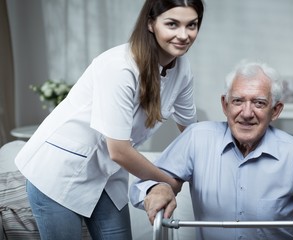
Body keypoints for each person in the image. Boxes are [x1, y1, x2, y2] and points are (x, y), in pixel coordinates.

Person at [14, 0, 205, 239]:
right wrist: (168, 182)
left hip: (108, 175)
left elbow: (193, 133)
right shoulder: (120, 66)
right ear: (150, 23)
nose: (183, 35)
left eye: (192, 25)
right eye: (172, 24)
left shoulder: (183, 70)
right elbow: (119, 151)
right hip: (59, 172)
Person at [130, 60, 293, 240]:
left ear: (275, 111)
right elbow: (141, 185)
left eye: (258, 103)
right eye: (237, 101)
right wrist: (156, 189)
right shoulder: (197, 138)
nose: (246, 113)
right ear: (225, 105)